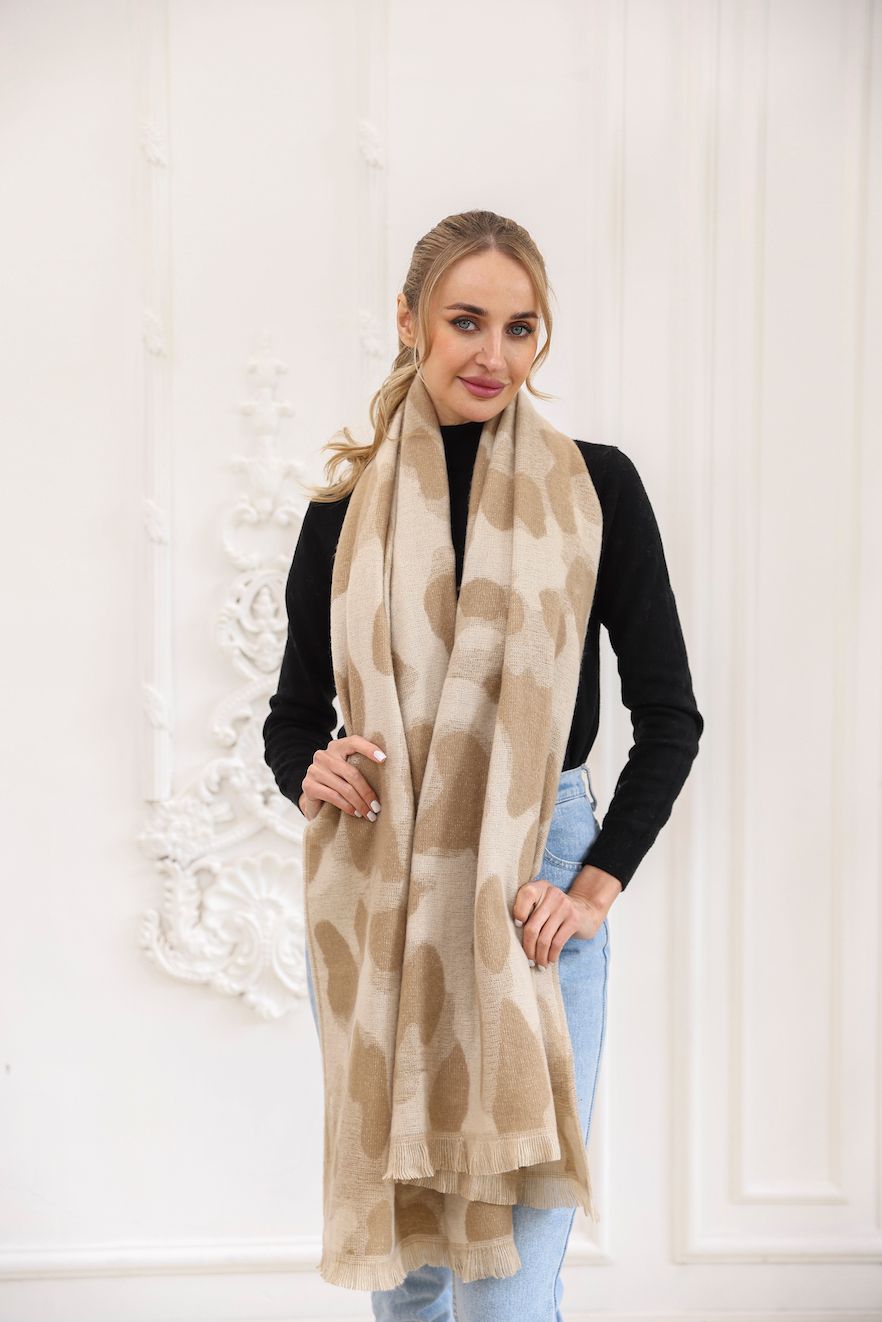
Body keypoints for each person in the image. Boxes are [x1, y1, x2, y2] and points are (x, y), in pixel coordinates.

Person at [263, 209, 703, 1321]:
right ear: (409, 321)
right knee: (408, 1280)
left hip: (532, 887)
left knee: (508, 1288)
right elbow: (293, 718)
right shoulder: (342, 514)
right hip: (379, 893)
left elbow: (670, 716)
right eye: (466, 321)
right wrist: (312, 769)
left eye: (520, 327)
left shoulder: (598, 490)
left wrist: (592, 885)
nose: (493, 354)